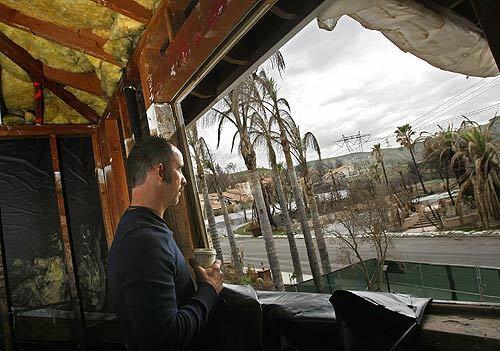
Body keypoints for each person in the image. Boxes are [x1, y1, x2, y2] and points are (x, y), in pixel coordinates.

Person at [108, 136, 223, 351]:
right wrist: (209, 290)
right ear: (160, 172)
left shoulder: (142, 228)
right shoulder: (143, 242)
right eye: (179, 168)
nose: (185, 179)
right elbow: (165, 341)